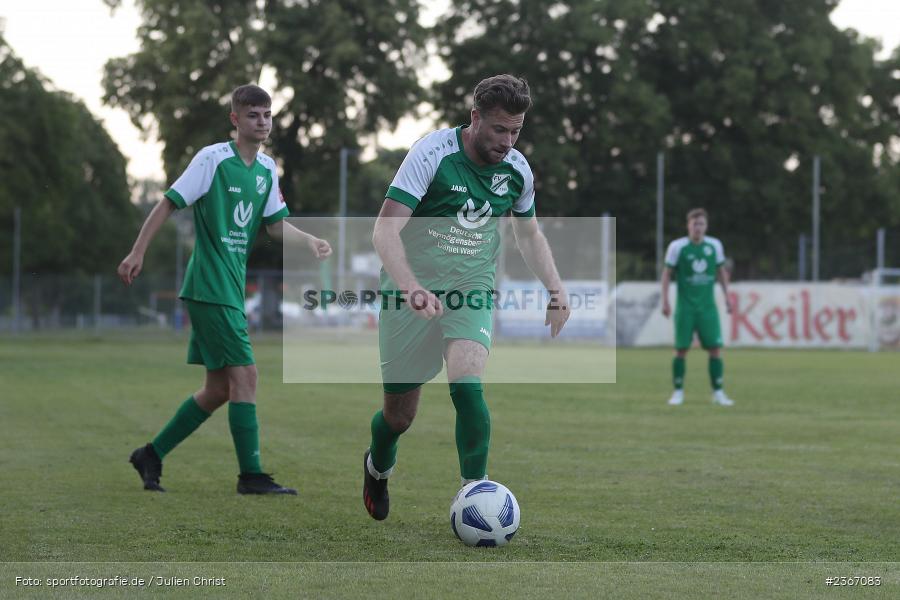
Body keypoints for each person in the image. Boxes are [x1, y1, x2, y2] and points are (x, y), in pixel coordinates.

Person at [362, 74, 570, 520]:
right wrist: (411, 287)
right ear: (475, 118)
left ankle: (476, 494)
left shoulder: (517, 170)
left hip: (471, 288)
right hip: (410, 290)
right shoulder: (432, 154)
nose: (508, 142)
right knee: (399, 417)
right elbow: (384, 230)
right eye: (499, 129)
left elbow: (529, 235)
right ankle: (377, 467)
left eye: (516, 131)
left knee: (467, 383)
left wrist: (556, 288)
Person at [117, 84, 332, 494]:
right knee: (246, 375)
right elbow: (168, 202)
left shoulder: (267, 169)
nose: (262, 122)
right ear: (235, 119)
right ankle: (251, 476)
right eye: (253, 115)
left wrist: (308, 240)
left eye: (267, 115)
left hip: (227, 290)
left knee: (218, 389)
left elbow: (274, 225)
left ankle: (151, 454)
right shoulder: (212, 159)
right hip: (209, 286)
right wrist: (137, 251)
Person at [661, 208, 734, 406]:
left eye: (701, 224)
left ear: (706, 226)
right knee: (681, 350)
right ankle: (678, 392)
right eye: (695, 224)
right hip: (685, 308)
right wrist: (665, 300)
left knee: (715, 349)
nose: (698, 228)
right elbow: (667, 274)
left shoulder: (714, 246)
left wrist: (728, 297)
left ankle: (718, 393)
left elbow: (721, 272)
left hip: (707, 308)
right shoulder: (677, 247)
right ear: (688, 226)